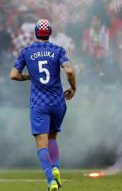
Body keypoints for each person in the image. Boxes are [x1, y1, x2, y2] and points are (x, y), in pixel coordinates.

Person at [9, 19, 77, 191]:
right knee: (53, 139)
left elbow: (13, 75)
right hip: (58, 102)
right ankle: (56, 168)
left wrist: (28, 77)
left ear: (36, 33)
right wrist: (73, 88)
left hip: (39, 103)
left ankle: (51, 181)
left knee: (41, 145)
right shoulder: (58, 50)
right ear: (49, 33)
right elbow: (69, 70)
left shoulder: (27, 51)